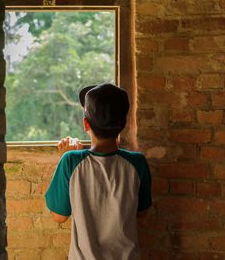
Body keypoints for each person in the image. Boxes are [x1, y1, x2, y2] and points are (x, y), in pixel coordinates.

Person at [45, 83, 152, 260]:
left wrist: (65, 157)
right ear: (123, 124)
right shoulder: (137, 163)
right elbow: (142, 212)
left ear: (86, 124)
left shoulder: (71, 161)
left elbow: (59, 216)